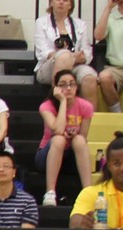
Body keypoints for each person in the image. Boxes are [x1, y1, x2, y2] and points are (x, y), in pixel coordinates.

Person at [38, 67, 95, 205]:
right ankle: (50, 193)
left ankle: (88, 193)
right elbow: (57, 130)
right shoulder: (46, 106)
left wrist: (74, 135)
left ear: (77, 87)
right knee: (59, 139)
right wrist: (63, 101)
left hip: (72, 157)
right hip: (48, 156)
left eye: (72, 84)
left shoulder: (86, 106)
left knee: (79, 140)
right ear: (56, 88)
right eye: (63, 85)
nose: (68, 88)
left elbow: (83, 137)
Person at [33, 0, 98, 100]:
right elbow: (43, 52)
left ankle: (89, 112)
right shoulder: (41, 22)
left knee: (89, 77)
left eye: (65, 0)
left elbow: (87, 52)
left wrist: (75, 58)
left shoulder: (80, 24)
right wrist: (66, 56)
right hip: (48, 67)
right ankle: (57, 103)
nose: (61, 2)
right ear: (51, 2)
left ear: (70, 5)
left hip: (76, 65)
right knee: (64, 56)